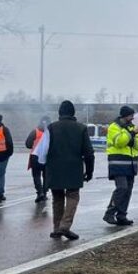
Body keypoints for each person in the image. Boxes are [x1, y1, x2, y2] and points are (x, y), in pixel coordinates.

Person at [42, 101, 93, 240]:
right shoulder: (81, 128)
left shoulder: (51, 128)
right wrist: (89, 171)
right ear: (73, 113)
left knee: (57, 197)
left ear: (59, 113)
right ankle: (65, 226)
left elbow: (43, 150)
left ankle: (57, 227)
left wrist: (45, 170)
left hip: (54, 168)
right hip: (74, 168)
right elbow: (88, 152)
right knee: (73, 196)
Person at [103, 106, 138, 226]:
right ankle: (110, 213)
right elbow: (119, 142)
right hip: (118, 163)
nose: (132, 118)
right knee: (122, 188)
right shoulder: (114, 127)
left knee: (128, 191)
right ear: (125, 116)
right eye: (131, 115)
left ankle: (122, 215)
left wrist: (130, 139)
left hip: (131, 164)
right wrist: (132, 134)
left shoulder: (132, 127)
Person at [25, 117, 50, 203]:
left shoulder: (35, 131)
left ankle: (40, 192)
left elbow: (28, 144)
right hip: (47, 157)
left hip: (35, 156)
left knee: (36, 175)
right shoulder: (51, 133)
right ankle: (45, 192)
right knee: (46, 176)